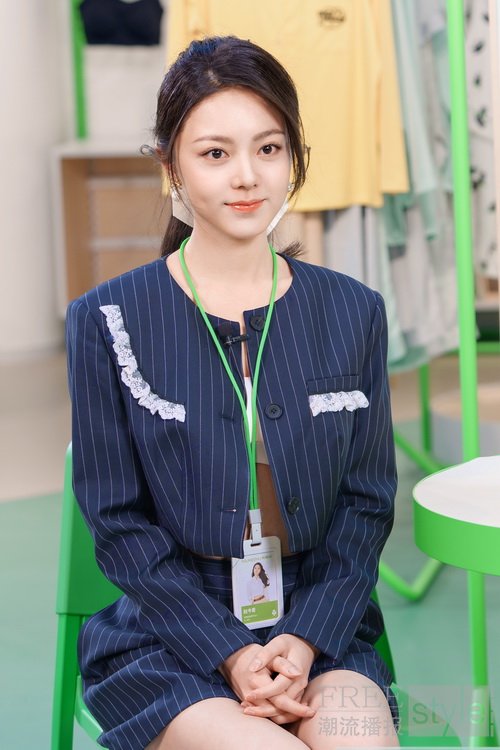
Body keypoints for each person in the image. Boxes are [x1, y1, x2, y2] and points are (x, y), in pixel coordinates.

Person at [66, 35, 399, 750]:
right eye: (215, 153)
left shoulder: (354, 311)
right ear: (171, 166)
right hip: (169, 634)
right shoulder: (106, 318)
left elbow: (367, 503)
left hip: (319, 627)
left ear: (294, 157)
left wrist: (305, 640)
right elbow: (118, 523)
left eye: (269, 148)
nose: (247, 176)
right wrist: (231, 652)